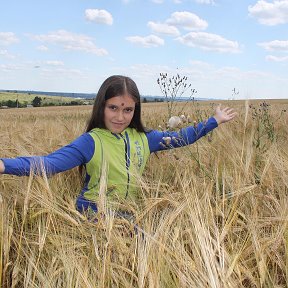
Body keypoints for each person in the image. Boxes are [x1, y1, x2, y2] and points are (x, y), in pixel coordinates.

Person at [0, 75, 237, 215]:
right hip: (93, 213)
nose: (120, 117)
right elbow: (48, 164)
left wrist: (213, 121)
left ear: (135, 110)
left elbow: (181, 138)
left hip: (129, 213)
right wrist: (3, 165)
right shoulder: (90, 141)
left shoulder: (145, 138)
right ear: (101, 106)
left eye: (127, 110)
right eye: (113, 108)